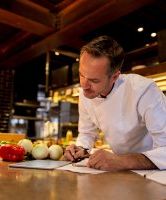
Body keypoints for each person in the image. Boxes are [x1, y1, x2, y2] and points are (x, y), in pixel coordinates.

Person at [63, 35, 166, 171]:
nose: (84, 86)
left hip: (153, 173)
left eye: (94, 80)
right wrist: (80, 149)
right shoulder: (85, 93)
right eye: (82, 75)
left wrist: (122, 161)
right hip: (118, 172)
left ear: (115, 77)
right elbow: (86, 133)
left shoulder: (143, 90)